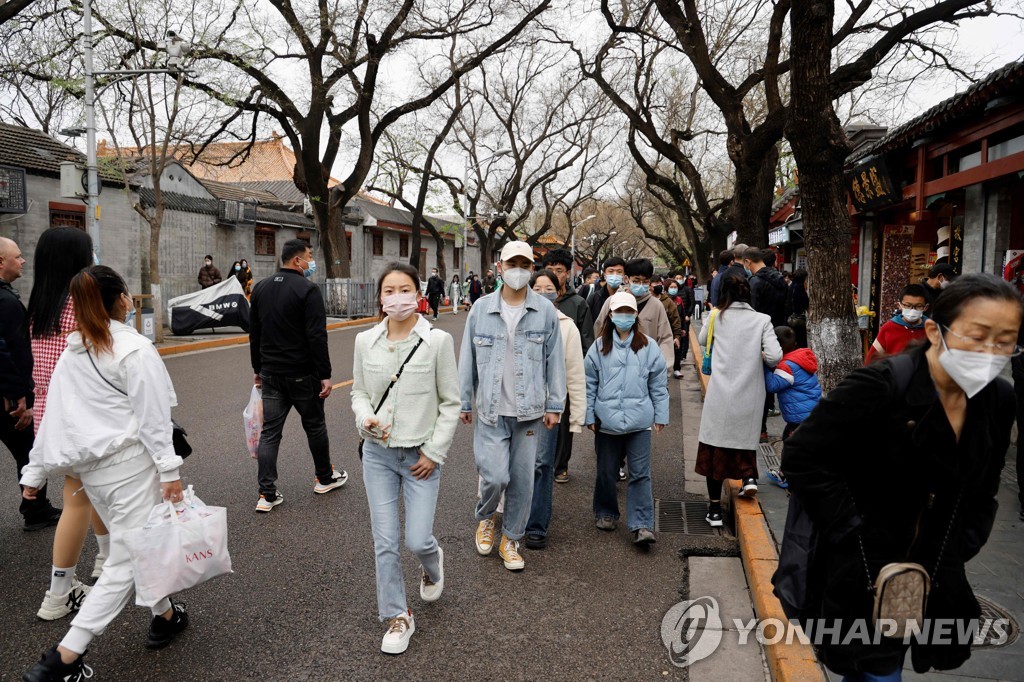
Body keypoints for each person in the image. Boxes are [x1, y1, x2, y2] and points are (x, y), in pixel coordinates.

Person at [783, 273, 1021, 681]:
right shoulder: (880, 385)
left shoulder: (998, 399)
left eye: (1005, 341)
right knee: (876, 669)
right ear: (933, 330)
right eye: (977, 335)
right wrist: (849, 529)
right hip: (863, 561)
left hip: (938, 566)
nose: (989, 352)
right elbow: (803, 456)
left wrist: (962, 544)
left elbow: (985, 485)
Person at [20, 265, 190, 682]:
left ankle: (165, 615)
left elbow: (55, 418)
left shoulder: (74, 352)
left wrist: (35, 473)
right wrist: (169, 471)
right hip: (131, 468)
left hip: (92, 475)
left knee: (132, 547)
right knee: (122, 561)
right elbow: (153, 420)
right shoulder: (132, 349)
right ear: (122, 300)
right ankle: (62, 658)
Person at [351, 262, 459, 655]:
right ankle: (398, 615)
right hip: (377, 455)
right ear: (380, 298)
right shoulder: (366, 341)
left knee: (416, 539)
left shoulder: (437, 342)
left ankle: (432, 560)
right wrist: (365, 417)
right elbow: (359, 392)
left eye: (405, 289)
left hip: (421, 458)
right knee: (385, 541)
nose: (397, 297)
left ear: (418, 294)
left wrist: (434, 452)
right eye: (389, 290)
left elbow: (451, 403)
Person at [459, 241, 565, 573]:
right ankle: (486, 517)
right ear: (499, 267)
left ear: (531, 268)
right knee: (494, 476)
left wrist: (554, 404)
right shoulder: (480, 308)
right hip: (490, 410)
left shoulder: (544, 311)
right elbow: (467, 359)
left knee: (522, 479)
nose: (517, 269)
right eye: (511, 263)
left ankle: (512, 538)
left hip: (529, 412)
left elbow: (554, 361)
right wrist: (464, 400)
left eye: (524, 263)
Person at [26, 228, 111, 622]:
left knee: (88, 490)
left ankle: (105, 561)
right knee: (78, 496)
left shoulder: (38, 305)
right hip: (79, 414)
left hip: (48, 412)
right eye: (89, 252)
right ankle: (59, 593)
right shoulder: (79, 305)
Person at [249, 240, 347, 512]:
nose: (311, 262)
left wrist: (258, 370)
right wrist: (325, 374)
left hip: (271, 374)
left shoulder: (260, 288)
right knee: (314, 425)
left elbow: (255, 335)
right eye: (309, 257)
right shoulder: (308, 289)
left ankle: (266, 494)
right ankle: (324, 477)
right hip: (303, 374)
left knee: (270, 433)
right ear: (296, 261)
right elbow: (316, 335)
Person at [697, 275, 783, 526]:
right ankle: (749, 479)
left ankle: (714, 511)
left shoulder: (715, 317)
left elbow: (703, 341)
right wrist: (759, 354)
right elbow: (776, 356)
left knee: (713, 446)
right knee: (744, 439)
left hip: (720, 393)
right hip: (750, 392)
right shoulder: (762, 320)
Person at [586, 291, 669, 546]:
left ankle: (642, 524)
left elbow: (658, 383)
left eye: (628, 312)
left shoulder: (649, 346)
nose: (624, 316)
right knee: (606, 471)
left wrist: (661, 414)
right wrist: (589, 414)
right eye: (619, 311)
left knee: (641, 474)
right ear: (611, 314)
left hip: (639, 422)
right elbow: (589, 383)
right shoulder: (599, 346)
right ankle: (606, 511)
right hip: (606, 422)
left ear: (635, 315)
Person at [0, 237, 61, 534]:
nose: (23, 261)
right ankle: (35, 509)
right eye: (18, 256)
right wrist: (20, 396)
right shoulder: (5, 301)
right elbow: (9, 352)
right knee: (30, 450)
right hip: (9, 401)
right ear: (1, 262)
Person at [523, 270, 585, 548]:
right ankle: (513, 513)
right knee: (516, 464)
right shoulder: (518, 318)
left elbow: (574, 372)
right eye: (537, 287)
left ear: (558, 292)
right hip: (518, 404)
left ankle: (537, 524)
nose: (543, 292)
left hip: (548, 406)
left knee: (542, 464)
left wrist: (577, 416)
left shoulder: (566, 325)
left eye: (549, 288)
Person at [540, 250, 593, 485]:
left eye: (559, 271)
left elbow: (586, 341)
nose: (554, 275)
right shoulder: (533, 300)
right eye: (550, 269)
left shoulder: (578, 303)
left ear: (568, 273)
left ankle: (560, 465)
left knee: (563, 424)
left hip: (566, 373)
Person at [762, 326, 821, 488]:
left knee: (791, 446)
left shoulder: (786, 365)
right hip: (811, 412)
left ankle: (786, 476)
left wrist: (766, 366)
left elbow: (772, 386)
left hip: (799, 417)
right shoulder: (800, 357)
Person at [594, 258, 674, 371]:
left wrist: (662, 369)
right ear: (627, 279)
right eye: (636, 281)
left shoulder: (656, 306)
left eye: (645, 281)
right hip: (613, 367)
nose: (640, 285)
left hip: (646, 368)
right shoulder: (612, 301)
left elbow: (665, 338)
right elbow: (599, 330)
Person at [865, 284, 930, 364]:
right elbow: (871, 359)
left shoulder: (931, 329)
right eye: (908, 306)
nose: (912, 310)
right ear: (899, 306)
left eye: (918, 306)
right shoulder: (889, 328)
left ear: (925, 307)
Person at [743, 247, 787, 327]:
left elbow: (753, 308)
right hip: (779, 327)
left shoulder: (754, 281)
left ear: (747, 262)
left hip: (761, 328)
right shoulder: (781, 279)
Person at [651, 274, 684, 371]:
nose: (658, 285)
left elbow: (675, 319)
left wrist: (677, 336)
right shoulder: (645, 301)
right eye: (655, 283)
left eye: (660, 283)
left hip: (664, 338)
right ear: (649, 286)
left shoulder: (667, 302)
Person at [668, 276, 695, 379]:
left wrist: (683, 327)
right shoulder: (664, 300)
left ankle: (677, 368)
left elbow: (683, 315)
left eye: (675, 287)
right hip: (668, 327)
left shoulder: (679, 300)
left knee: (677, 348)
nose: (674, 289)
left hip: (678, 327)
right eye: (671, 287)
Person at [587, 257, 626, 325]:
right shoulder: (594, 298)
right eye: (611, 271)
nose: (615, 274)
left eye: (619, 272)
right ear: (605, 275)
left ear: (623, 275)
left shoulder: (628, 298)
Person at [786, 268, 810, 348]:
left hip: (790, 317)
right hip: (799, 318)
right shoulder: (800, 288)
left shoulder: (791, 286)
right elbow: (805, 303)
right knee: (801, 341)